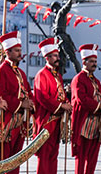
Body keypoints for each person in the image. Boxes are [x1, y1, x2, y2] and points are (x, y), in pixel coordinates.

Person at [0, 31, 34, 174]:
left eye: (20, 50)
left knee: (16, 160)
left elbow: (28, 91)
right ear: (7, 52)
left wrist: (31, 103)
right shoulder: (1, 71)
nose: (20, 53)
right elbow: (1, 95)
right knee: (2, 158)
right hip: (6, 121)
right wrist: (21, 104)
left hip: (20, 121)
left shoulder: (21, 73)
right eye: (17, 51)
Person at [32, 37, 72, 174]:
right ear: (47, 58)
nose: (57, 58)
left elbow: (61, 95)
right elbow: (43, 97)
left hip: (57, 122)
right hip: (45, 121)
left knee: (54, 155)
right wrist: (61, 107)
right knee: (44, 157)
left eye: (57, 55)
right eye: (54, 56)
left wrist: (67, 103)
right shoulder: (41, 75)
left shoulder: (58, 76)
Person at [71, 44, 101, 174]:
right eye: (91, 61)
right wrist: (100, 106)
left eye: (95, 61)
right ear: (84, 62)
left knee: (93, 159)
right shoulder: (78, 79)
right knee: (81, 158)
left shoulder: (96, 81)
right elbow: (81, 99)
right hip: (83, 123)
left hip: (97, 125)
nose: (94, 64)